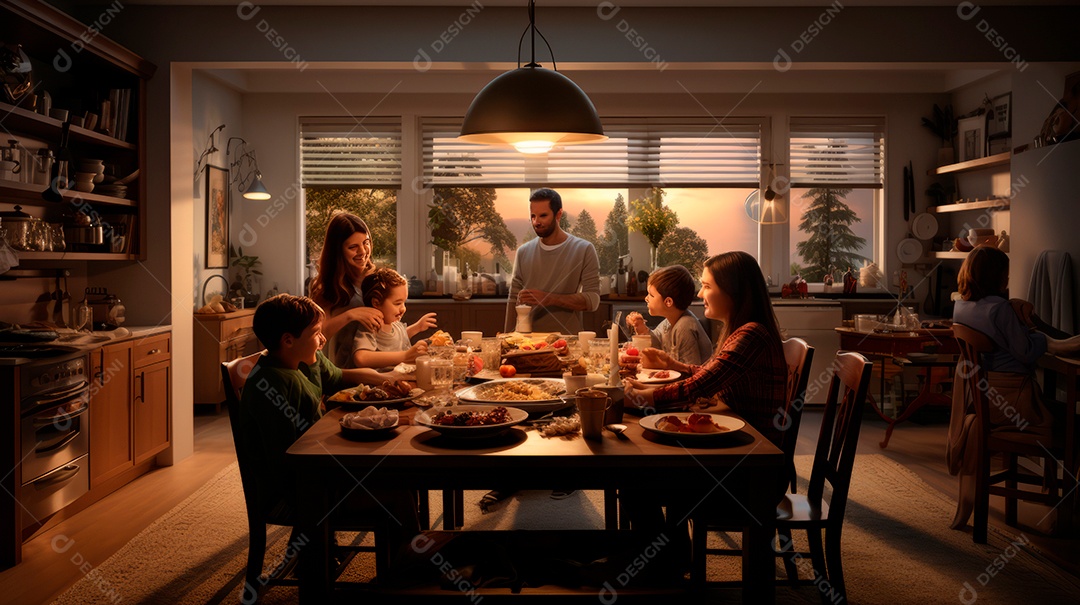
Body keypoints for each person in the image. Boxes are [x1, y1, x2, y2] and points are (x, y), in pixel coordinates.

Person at [620, 252, 789, 572]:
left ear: (734, 291)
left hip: (751, 472)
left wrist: (640, 398)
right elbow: (710, 374)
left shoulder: (751, 335)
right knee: (642, 469)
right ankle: (670, 557)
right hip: (739, 454)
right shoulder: (742, 330)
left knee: (636, 480)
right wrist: (672, 368)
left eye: (707, 286)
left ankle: (663, 566)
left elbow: (699, 386)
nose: (700, 293)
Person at [239, 294, 419, 541]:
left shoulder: (299, 358)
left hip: (317, 472)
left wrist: (389, 381)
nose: (323, 339)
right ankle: (409, 560)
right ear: (288, 340)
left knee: (397, 474)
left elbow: (334, 378)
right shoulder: (273, 385)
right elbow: (288, 458)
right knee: (399, 491)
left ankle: (400, 555)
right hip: (299, 492)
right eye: (316, 333)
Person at [947, 246, 1080, 531]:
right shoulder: (1001, 310)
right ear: (996, 277)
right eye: (1005, 275)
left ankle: (1057, 499)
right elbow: (1026, 352)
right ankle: (1066, 513)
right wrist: (1043, 338)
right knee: (1075, 426)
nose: (1007, 279)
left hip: (985, 404)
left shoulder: (961, 306)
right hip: (1017, 405)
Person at [503, 188, 601, 334]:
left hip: (567, 341)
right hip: (528, 340)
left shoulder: (584, 249)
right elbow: (513, 299)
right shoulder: (523, 252)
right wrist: (506, 338)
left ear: (559, 214)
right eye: (533, 216)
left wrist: (549, 299)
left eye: (543, 215)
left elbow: (593, 300)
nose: (536, 222)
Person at [309, 213, 386, 368]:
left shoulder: (378, 279)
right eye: (353, 247)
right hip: (341, 370)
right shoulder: (324, 287)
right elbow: (318, 335)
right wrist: (350, 315)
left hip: (379, 364)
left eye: (366, 243)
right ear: (337, 251)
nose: (363, 251)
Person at [625, 265, 714, 366]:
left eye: (651, 295)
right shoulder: (669, 322)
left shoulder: (685, 326)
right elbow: (658, 344)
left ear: (668, 302)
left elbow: (691, 369)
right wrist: (642, 329)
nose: (646, 298)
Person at [352, 267, 437, 368]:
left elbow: (397, 338)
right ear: (376, 303)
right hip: (384, 377)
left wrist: (417, 327)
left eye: (404, 303)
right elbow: (361, 358)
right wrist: (406, 356)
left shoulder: (395, 325)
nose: (403, 309)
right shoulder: (370, 327)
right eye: (397, 303)